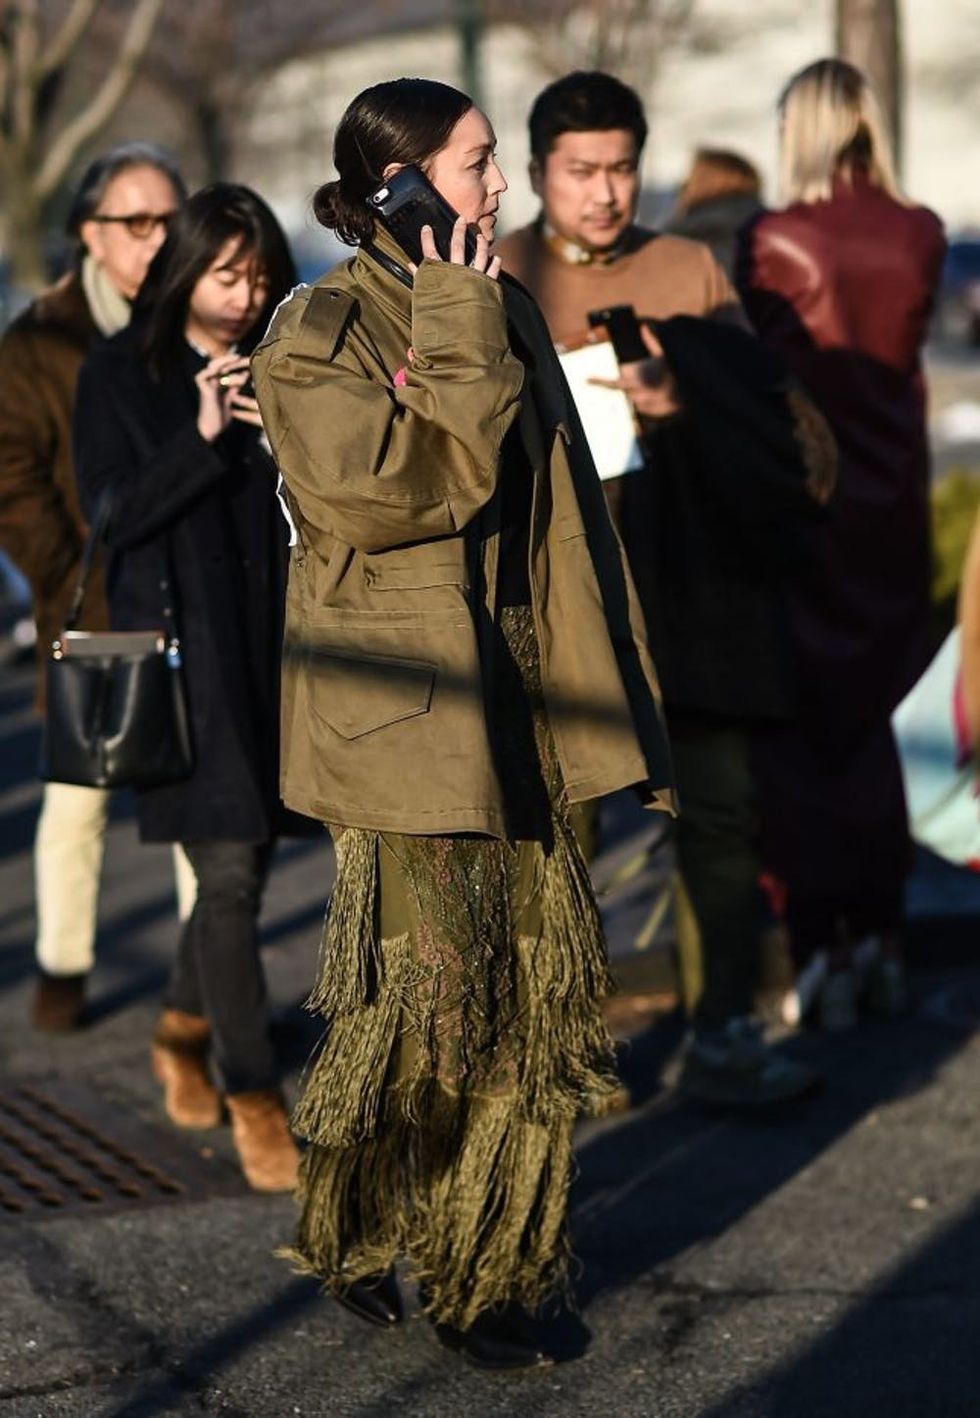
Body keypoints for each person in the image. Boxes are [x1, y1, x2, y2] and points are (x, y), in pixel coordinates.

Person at [252, 77, 674, 1368]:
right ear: (404, 185)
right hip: (412, 727)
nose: (503, 185)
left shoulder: (496, 304)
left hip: (535, 701)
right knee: (435, 1009)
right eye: (480, 162)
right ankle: (365, 1220)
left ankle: (493, 1263)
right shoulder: (311, 331)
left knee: (538, 1004)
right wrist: (448, 310)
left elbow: (558, 510)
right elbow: (415, 487)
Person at [498, 71, 820, 1108]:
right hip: (562, 604)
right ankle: (562, 1042)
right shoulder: (497, 277)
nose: (603, 192)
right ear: (539, 170)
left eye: (621, 168)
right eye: (579, 171)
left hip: (693, 592)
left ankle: (721, 1026)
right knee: (565, 829)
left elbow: (764, 425)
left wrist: (677, 397)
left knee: (717, 817)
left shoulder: (688, 269)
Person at [73, 184, 302, 1191]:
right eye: (226, 274)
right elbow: (113, 513)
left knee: (238, 868)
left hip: (275, 661)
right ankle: (255, 1093)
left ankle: (177, 1027)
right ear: (184, 272)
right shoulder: (120, 372)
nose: (245, 295)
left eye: (258, 275)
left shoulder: (281, 365)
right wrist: (202, 433)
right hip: (184, 668)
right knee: (232, 882)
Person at [737, 59, 946, 1029]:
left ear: (801, 128)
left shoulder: (775, 239)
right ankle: (881, 935)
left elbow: (767, 386)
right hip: (895, 505)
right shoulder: (918, 233)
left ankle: (818, 942)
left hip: (807, 506)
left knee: (799, 736)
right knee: (880, 728)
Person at [0, 142, 192, 1033]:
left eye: (170, 218)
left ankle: (205, 990)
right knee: (78, 799)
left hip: (194, 603)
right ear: (90, 232)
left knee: (203, 798)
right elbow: (11, 475)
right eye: (137, 221)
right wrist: (63, 574)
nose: (158, 239)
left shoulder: (201, 317)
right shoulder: (40, 338)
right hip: (93, 606)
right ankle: (63, 970)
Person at [665, 147, 763, 280]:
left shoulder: (687, 236)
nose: (683, 188)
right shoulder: (767, 226)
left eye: (688, 182)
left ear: (702, 183)